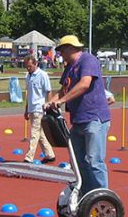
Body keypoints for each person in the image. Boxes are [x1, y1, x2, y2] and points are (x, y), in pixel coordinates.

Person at [46, 35, 111, 193]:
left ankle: (101, 196)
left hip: (94, 118)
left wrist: (62, 101)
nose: (60, 54)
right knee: (77, 160)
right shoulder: (69, 67)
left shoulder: (88, 60)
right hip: (78, 120)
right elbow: (63, 91)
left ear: (69, 48)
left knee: (94, 161)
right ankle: (86, 193)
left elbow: (84, 84)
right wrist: (50, 102)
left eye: (61, 50)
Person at [23, 54, 56, 164]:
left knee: (34, 132)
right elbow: (29, 94)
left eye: (30, 66)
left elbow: (48, 91)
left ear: (36, 64)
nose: (28, 68)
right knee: (40, 134)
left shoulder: (43, 75)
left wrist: (48, 104)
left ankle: (29, 156)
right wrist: (26, 109)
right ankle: (49, 154)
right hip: (32, 108)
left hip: (39, 108)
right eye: (27, 66)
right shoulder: (27, 76)